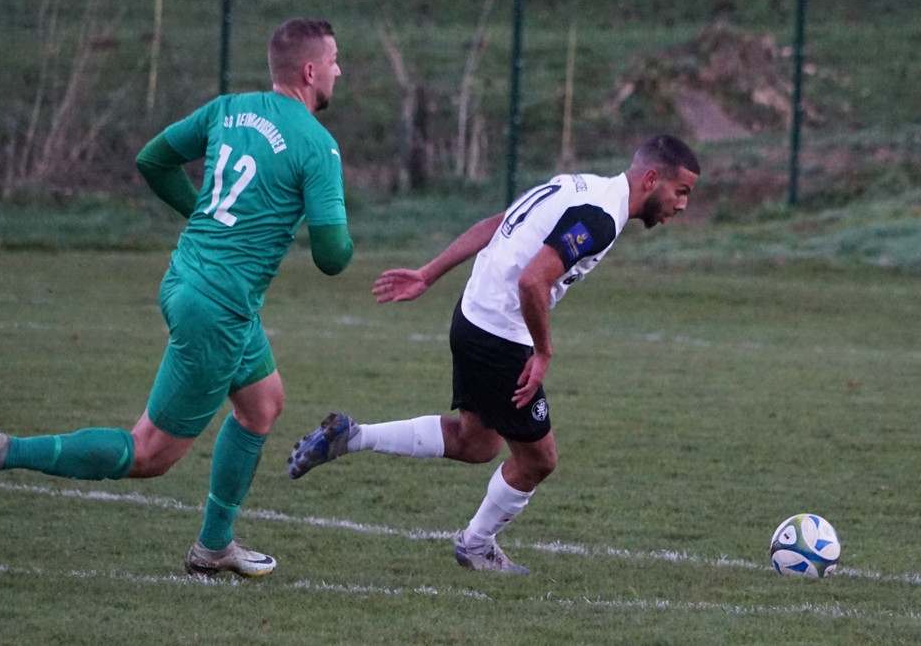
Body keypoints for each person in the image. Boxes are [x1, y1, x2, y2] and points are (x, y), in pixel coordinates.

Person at [0, 18, 354, 578]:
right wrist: (342, 234)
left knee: (262, 404)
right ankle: (6, 450)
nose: (338, 71)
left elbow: (152, 160)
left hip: (187, 279)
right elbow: (332, 256)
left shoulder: (228, 109)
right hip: (219, 308)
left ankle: (214, 545)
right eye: (333, 61)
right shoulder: (318, 146)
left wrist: (205, 217)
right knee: (149, 452)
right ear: (308, 71)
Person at [287, 134, 699, 574]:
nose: (682, 205)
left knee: (478, 443)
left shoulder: (578, 185)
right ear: (651, 179)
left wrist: (429, 273)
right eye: (680, 192)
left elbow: (498, 224)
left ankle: (352, 436)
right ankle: (476, 544)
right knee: (539, 460)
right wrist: (543, 353)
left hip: (472, 318)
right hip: (500, 336)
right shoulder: (599, 217)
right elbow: (532, 281)